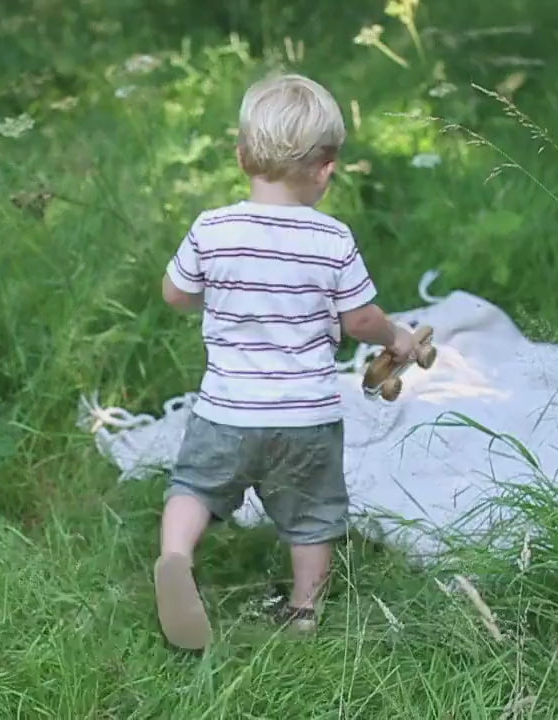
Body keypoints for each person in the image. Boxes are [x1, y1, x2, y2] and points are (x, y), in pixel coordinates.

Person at [155, 72, 416, 650]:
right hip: (305, 419)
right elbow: (360, 321)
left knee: (194, 488)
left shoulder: (213, 229)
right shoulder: (333, 240)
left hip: (226, 410)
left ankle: (176, 557)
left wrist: (219, 290)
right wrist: (396, 336)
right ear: (326, 169)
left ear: (241, 155)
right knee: (313, 516)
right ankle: (303, 612)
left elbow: (174, 294)